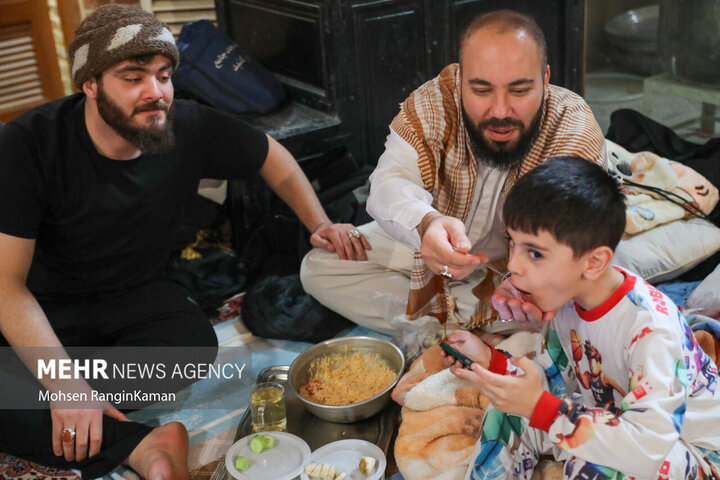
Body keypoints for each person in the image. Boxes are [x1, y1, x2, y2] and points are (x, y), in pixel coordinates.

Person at [0, 5, 368, 479]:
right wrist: (66, 384)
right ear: (89, 85)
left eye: (164, 75)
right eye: (132, 77)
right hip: (42, 310)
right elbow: (7, 286)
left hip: (133, 302)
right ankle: (139, 445)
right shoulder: (28, 145)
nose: (155, 92)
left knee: (192, 344)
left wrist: (319, 223)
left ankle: (58, 402)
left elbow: (270, 154)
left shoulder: (186, 124)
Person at [300, 10, 606, 335]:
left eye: (519, 91)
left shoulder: (572, 128)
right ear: (460, 82)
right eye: (482, 90)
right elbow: (390, 181)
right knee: (320, 266)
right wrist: (427, 223)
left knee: (569, 308)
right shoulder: (434, 104)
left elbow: (565, 244)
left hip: (522, 263)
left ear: (544, 80)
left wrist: (525, 286)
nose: (500, 111)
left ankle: (456, 328)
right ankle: (464, 329)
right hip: (439, 240)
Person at [443, 157, 720, 479]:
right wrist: (495, 363)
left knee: (596, 466)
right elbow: (562, 378)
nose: (514, 265)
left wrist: (540, 408)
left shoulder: (651, 329)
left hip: (690, 451)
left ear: (593, 262)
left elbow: (648, 447)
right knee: (507, 411)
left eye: (534, 253)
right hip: (614, 418)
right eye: (512, 242)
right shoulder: (569, 301)